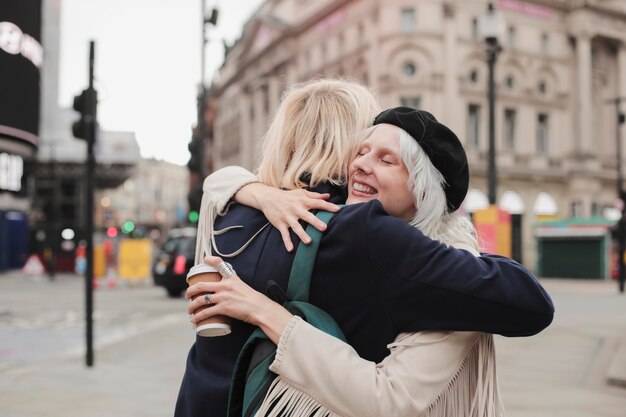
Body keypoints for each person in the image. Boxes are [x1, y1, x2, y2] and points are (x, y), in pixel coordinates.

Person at [175, 79, 554, 417]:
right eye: (364, 146)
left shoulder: (229, 215)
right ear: (349, 143)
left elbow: (217, 182)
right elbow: (526, 301)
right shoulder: (363, 231)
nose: (365, 163)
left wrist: (252, 189)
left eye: (386, 156)